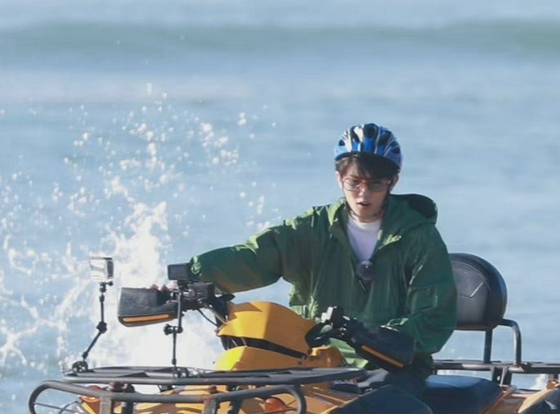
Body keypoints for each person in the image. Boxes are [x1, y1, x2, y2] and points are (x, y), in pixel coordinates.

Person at [180, 124, 458, 372]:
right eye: (354, 182)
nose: (363, 194)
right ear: (340, 179)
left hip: (393, 366)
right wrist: (189, 279)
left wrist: (380, 337)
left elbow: (434, 316)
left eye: (375, 184)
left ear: (392, 182)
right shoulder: (313, 227)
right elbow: (255, 256)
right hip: (314, 360)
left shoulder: (419, 236)